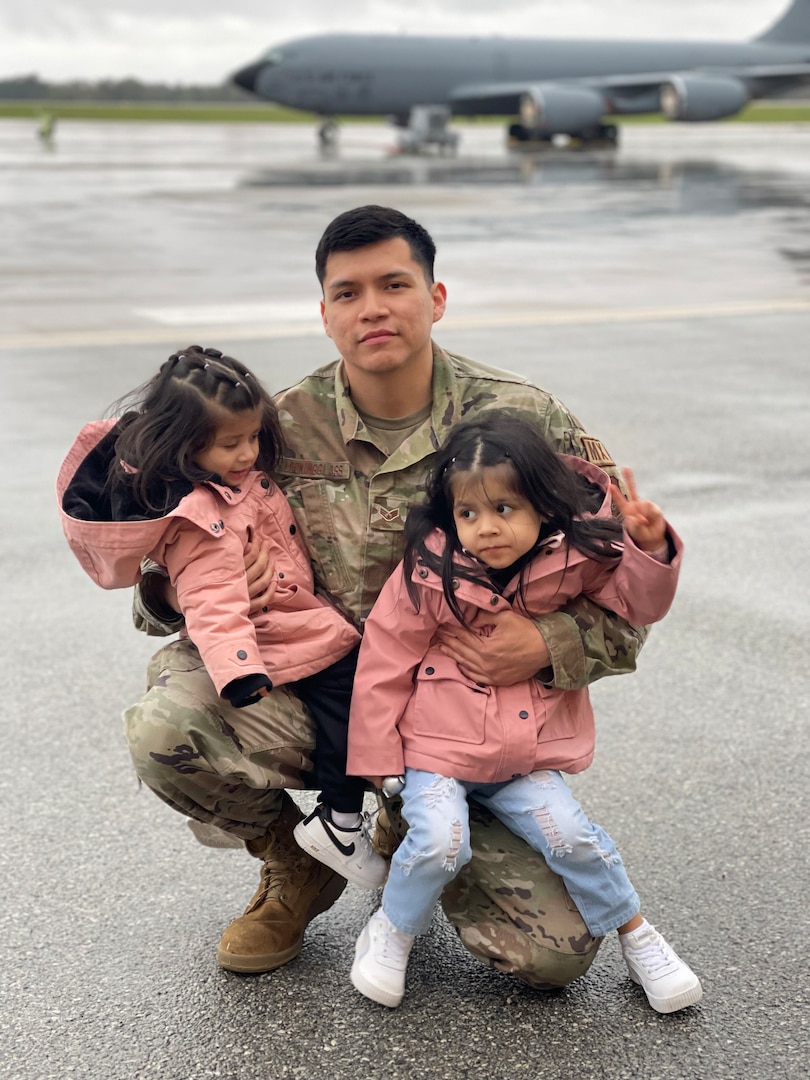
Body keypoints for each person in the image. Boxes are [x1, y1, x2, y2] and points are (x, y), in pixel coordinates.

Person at [124, 205, 650, 987]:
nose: (372, 308)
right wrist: (172, 590)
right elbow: (163, 564)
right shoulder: (274, 427)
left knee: (553, 958)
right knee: (170, 727)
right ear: (325, 313)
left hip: (459, 729)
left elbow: (626, 589)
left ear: (435, 297)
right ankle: (300, 862)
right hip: (322, 696)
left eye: (395, 284)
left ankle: (413, 835)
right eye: (348, 292)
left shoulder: (523, 422)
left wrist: (546, 645)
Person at [345, 413, 702, 1013]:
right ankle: (394, 929)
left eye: (504, 509)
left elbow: (637, 604)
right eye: (468, 514)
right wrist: (379, 760)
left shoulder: (578, 555)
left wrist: (648, 545)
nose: (485, 529)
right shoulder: (429, 571)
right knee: (440, 842)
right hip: (438, 752)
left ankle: (638, 937)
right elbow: (383, 661)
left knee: (573, 838)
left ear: (540, 504)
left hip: (522, 756)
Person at [57, 345, 387, 890]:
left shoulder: (238, 477)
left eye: (254, 438)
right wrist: (237, 671)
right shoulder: (203, 518)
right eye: (231, 443)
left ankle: (376, 825)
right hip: (282, 645)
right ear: (186, 445)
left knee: (358, 699)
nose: (249, 451)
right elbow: (210, 602)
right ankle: (323, 838)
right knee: (349, 703)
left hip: (322, 635)